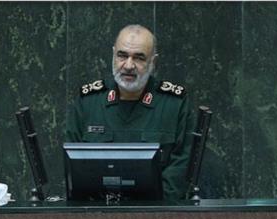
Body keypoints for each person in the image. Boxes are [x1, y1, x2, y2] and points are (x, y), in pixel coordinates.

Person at [65, 24, 194, 200]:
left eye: (139, 58)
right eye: (122, 55)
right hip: (98, 210)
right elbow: (74, 168)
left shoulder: (174, 104)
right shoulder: (88, 102)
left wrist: (147, 208)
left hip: (157, 211)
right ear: (113, 55)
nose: (128, 65)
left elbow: (181, 169)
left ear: (153, 62)